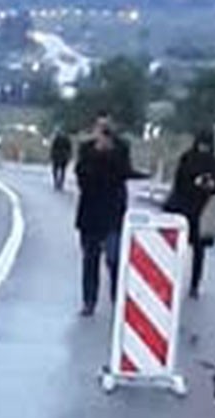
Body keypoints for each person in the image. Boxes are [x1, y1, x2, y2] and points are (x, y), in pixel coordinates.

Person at [75, 118, 141, 317]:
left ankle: (116, 296)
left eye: (106, 129)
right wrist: (96, 153)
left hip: (113, 214)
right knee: (90, 260)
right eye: (99, 128)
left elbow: (123, 173)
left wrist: (109, 153)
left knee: (114, 259)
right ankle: (89, 301)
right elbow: (82, 175)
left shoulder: (121, 149)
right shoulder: (86, 149)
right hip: (90, 214)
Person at [163, 129, 215, 300]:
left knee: (194, 250)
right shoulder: (199, 159)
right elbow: (180, 182)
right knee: (186, 249)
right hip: (191, 209)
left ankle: (192, 285)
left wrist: (205, 185)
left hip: (195, 209)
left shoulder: (202, 160)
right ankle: (183, 282)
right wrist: (199, 184)